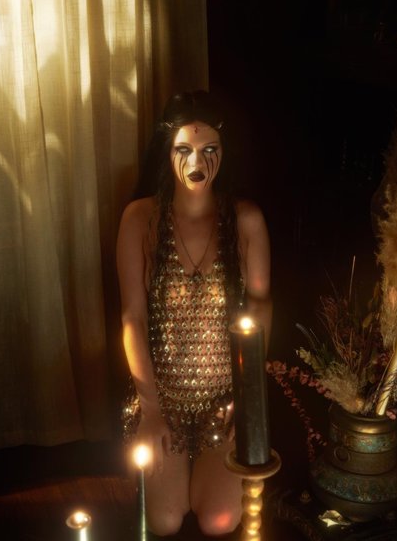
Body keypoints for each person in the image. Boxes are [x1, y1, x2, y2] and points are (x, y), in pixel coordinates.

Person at [116, 90, 272, 538]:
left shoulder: (246, 221)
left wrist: (247, 399)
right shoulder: (140, 220)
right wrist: (150, 409)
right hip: (160, 396)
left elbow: (260, 306)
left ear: (225, 152)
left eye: (209, 149)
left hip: (222, 400)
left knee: (218, 519)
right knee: (163, 520)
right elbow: (132, 317)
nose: (196, 162)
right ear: (166, 152)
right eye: (183, 149)